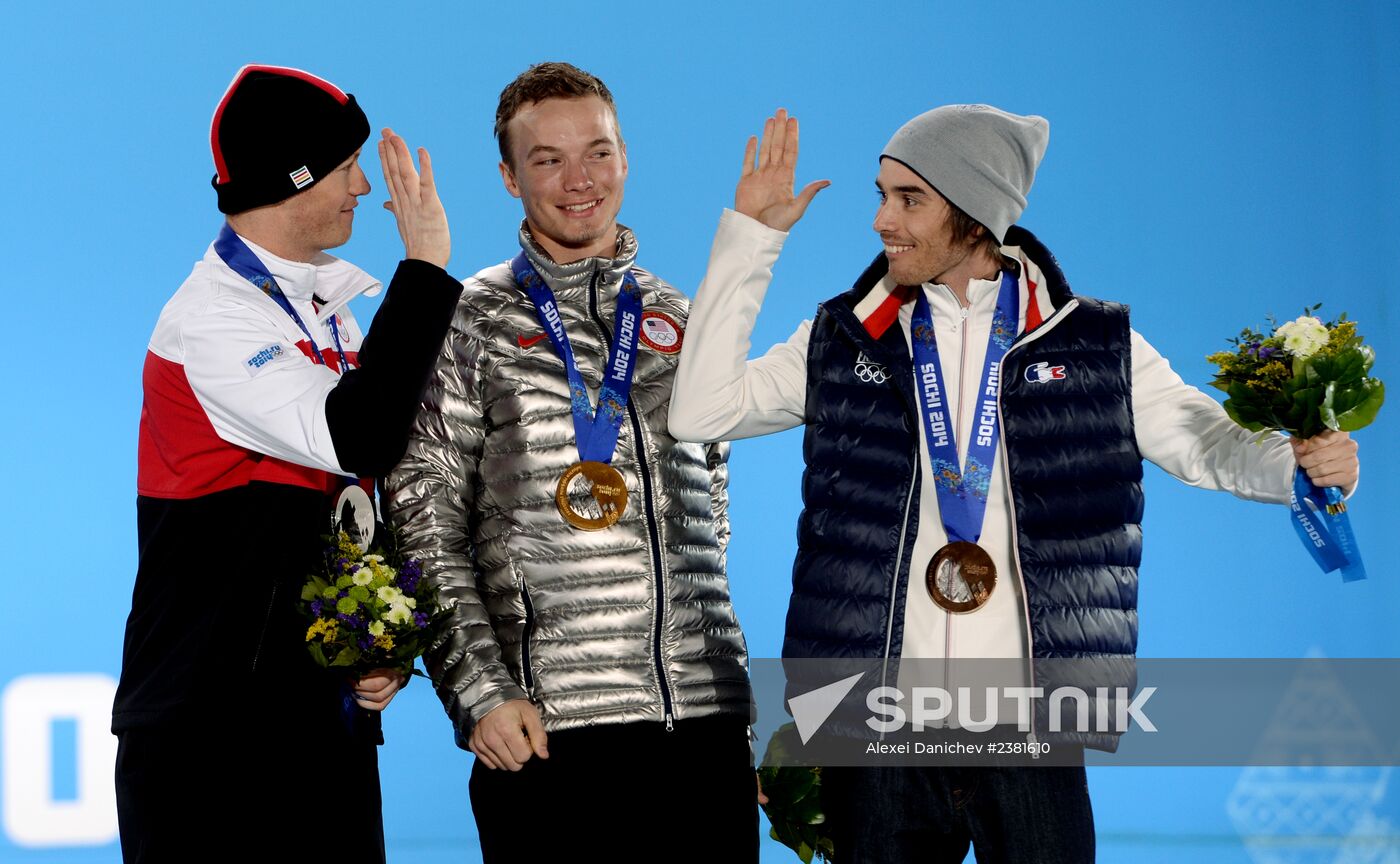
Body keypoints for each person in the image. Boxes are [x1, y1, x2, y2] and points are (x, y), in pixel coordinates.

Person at [668, 106, 1360, 863]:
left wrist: (1305, 466)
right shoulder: (843, 336)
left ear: (973, 215)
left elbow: (1212, 447)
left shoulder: (1094, 344)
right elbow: (704, 408)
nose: (879, 221)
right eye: (882, 194)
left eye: (908, 200)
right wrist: (752, 238)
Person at [382, 62, 756, 863]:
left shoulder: (682, 318)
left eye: (598, 152)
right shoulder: (467, 322)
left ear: (626, 157)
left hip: (703, 728)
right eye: (547, 160)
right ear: (509, 176)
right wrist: (480, 690)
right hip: (548, 734)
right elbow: (421, 521)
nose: (578, 180)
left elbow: (710, 521)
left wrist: (737, 711)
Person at [112, 64, 460, 863]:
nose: (365, 188)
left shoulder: (320, 312)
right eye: (346, 169)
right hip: (211, 738)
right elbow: (359, 436)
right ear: (291, 178)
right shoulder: (212, 318)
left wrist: (371, 647)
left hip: (312, 724)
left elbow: (339, 514)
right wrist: (428, 267)